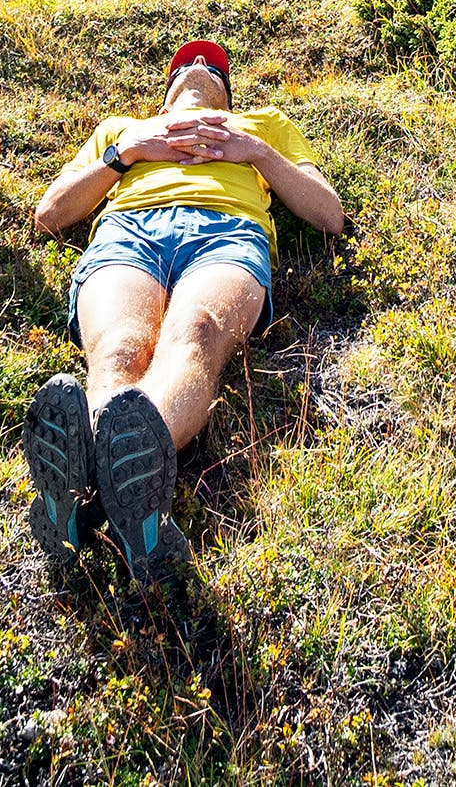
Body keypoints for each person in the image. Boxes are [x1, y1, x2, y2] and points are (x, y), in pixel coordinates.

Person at [25, 39, 345, 584]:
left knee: (195, 333)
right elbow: (49, 215)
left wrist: (255, 152)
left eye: (213, 64)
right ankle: (127, 502)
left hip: (228, 234)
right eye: (186, 62)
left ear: (228, 94)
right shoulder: (124, 128)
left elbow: (328, 215)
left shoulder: (263, 125)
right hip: (129, 233)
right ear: (166, 92)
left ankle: (85, 495)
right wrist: (124, 153)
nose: (198, 65)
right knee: (120, 348)